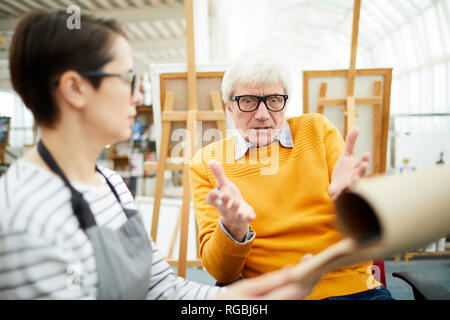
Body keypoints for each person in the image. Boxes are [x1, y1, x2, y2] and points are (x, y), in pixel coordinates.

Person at [0, 10, 320, 300]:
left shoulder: (110, 185)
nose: (139, 96)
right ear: (75, 89)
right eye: (128, 78)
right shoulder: (26, 216)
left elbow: (165, 291)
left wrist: (287, 287)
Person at [189, 51, 394, 300]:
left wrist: (351, 200)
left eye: (274, 100)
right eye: (248, 101)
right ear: (230, 106)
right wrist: (234, 229)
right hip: (272, 293)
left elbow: (368, 233)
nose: (263, 114)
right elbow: (222, 272)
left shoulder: (317, 131)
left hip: (352, 289)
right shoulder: (207, 164)